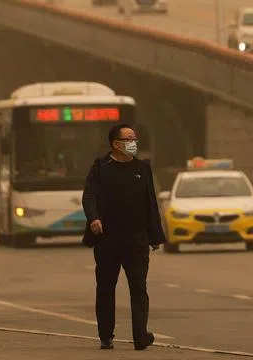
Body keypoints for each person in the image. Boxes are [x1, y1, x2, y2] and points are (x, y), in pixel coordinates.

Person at [82, 123, 165, 351]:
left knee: (138, 287)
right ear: (116, 144)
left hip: (136, 239)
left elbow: (151, 202)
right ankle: (106, 335)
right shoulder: (101, 167)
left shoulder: (142, 167)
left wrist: (154, 234)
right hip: (108, 239)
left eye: (134, 138)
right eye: (128, 139)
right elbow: (89, 196)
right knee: (106, 287)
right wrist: (93, 218)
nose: (133, 143)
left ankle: (140, 335)